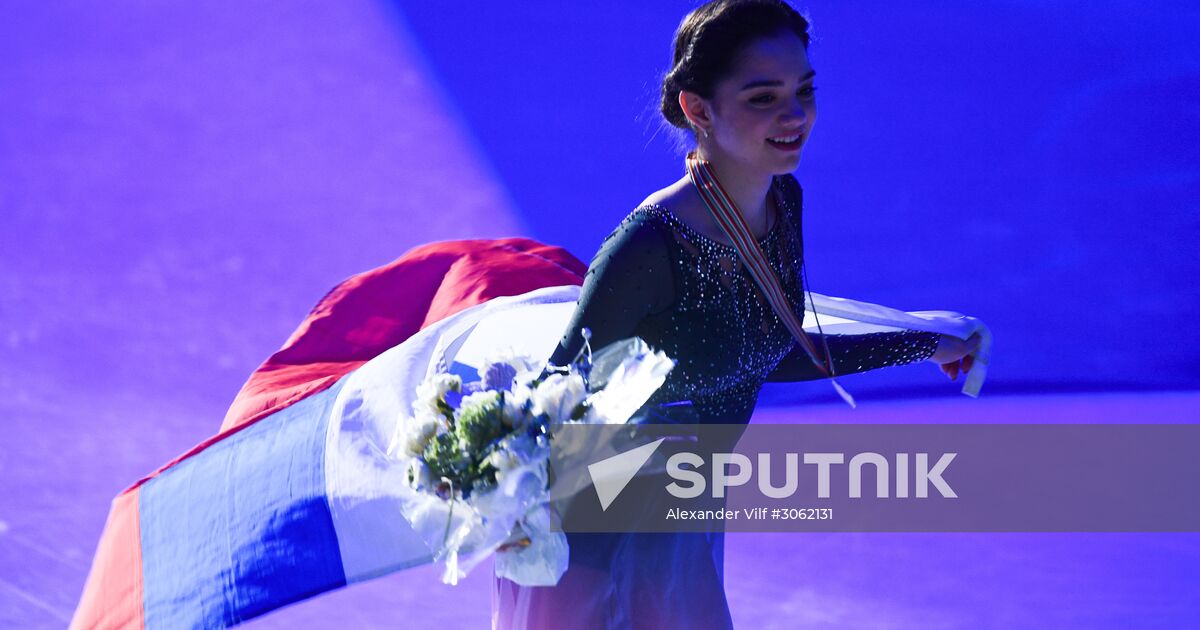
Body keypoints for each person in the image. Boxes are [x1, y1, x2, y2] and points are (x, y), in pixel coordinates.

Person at [490, 1, 979, 628]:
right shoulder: (649, 247)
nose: (795, 115)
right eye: (762, 97)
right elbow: (548, 408)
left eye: (804, 91)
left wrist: (922, 343)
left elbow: (769, 351)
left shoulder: (783, 201)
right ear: (698, 109)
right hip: (595, 534)